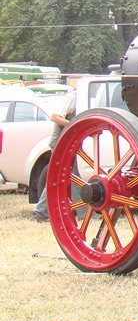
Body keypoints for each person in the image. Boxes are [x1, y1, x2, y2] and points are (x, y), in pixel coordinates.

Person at [32, 89, 77, 222]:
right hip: (61, 142)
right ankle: (41, 211)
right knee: (58, 177)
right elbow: (55, 117)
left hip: (70, 142)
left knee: (71, 176)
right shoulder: (72, 98)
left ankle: (83, 211)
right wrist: (75, 124)